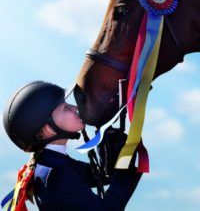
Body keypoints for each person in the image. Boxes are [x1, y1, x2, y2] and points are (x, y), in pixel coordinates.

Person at [2, 80, 142, 211]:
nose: (75, 108)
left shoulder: (53, 162)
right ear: (48, 128)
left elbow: (100, 177)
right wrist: (126, 171)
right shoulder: (56, 173)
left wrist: (108, 152)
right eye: (65, 108)